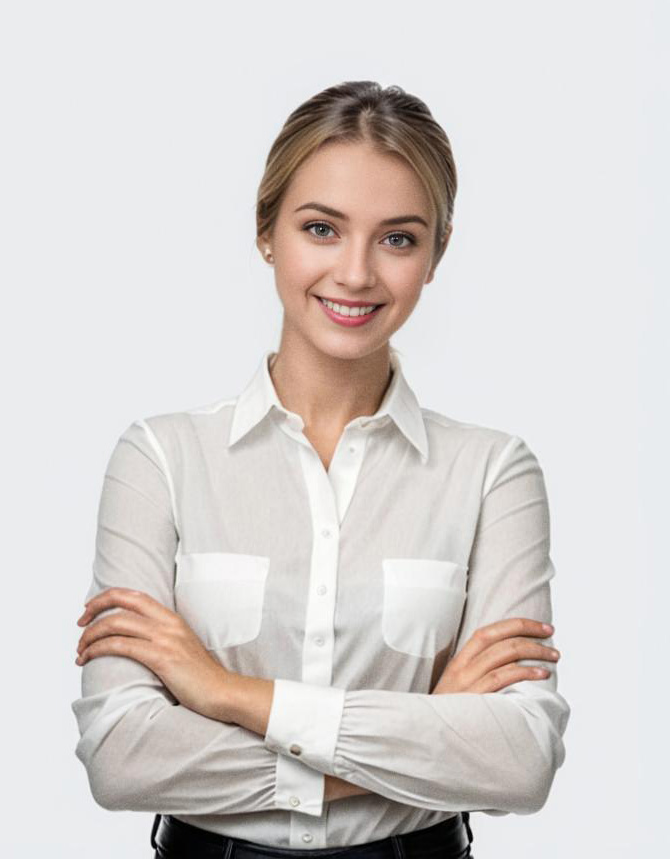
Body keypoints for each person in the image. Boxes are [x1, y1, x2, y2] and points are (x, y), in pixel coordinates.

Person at [71, 80, 570, 859]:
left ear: (436, 253)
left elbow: (520, 760)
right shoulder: (161, 459)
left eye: (398, 238)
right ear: (267, 232)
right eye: (321, 228)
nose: (357, 273)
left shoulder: (491, 473)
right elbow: (121, 755)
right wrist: (422, 736)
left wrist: (229, 694)